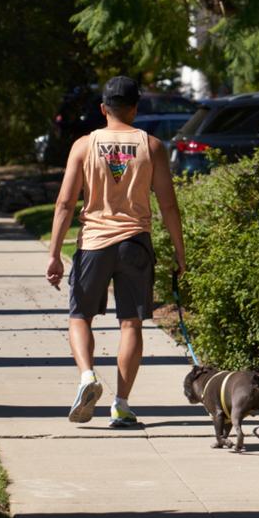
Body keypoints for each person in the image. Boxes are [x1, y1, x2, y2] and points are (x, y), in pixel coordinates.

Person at [46, 75, 187, 428]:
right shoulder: (151, 146)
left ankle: (87, 377)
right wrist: (180, 253)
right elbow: (169, 206)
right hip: (136, 243)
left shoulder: (83, 145)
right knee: (131, 323)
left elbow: (65, 202)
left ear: (102, 109)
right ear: (136, 108)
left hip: (94, 242)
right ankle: (121, 405)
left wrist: (53, 254)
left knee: (80, 316)